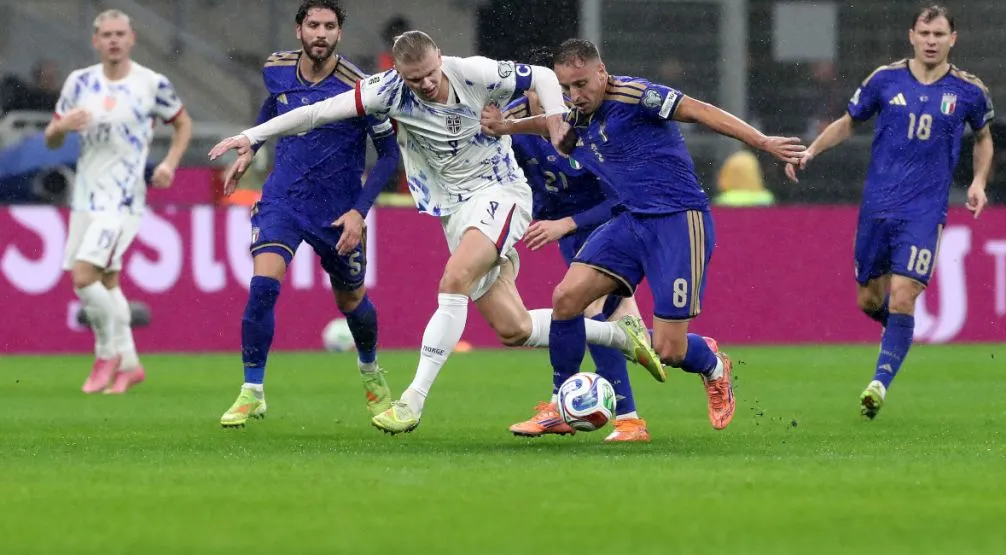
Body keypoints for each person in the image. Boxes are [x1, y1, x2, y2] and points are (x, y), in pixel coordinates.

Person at [209, 31, 664, 435]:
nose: (425, 83)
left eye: (430, 73)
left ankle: (412, 401)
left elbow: (543, 75)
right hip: (453, 210)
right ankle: (621, 335)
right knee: (514, 328)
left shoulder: (473, 73)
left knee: (453, 280)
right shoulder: (386, 90)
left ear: (440, 58)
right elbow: (316, 113)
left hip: (500, 191)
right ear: (399, 73)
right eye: (414, 79)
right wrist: (254, 136)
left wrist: (558, 117)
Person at [488, 39, 803, 431]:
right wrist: (507, 127)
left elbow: (700, 111)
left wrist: (762, 142)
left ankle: (711, 363)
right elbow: (551, 123)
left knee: (668, 350)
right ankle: (558, 405)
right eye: (566, 87)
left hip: (678, 222)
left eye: (581, 84)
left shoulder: (637, 96)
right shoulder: (577, 110)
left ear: (601, 72)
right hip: (631, 221)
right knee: (566, 299)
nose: (575, 95)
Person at [786, 3, 994, 419]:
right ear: (911, 36)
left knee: (903, 296)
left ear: (952, 39)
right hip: (878, 207)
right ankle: (898, 332)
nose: (931, 41)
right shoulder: (885, 79)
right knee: (869, 300)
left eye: (939, 34)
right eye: (925, 33)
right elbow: (849, 121)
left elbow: (983, 137)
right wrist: (811, 151)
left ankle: (878, 383)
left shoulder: (969, 91)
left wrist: (978, 181)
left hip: (924, 211)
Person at [217, 0, 401, 428]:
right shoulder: (276, 68)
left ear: (340, 34)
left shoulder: (361, 87)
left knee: (351, 299)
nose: (321, 34)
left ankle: (370, 371)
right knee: (263, 285)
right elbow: (273, 108)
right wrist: (253, 145)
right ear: (298, 30)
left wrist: (359, 212)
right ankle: (252, 391)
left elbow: (389, 155)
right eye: (314, 26)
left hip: (337, 211)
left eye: (329, 27)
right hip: (284, 199)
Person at [482, 88, 650, 442]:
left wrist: (565, 224)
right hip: (572, 237)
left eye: (564, 91)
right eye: (549, 91)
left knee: (586, 310)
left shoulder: (588, 128)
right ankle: (704, 360)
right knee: (637, 337)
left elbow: (620, 199)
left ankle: (599, 415)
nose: (563, 99)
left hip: (611, 229)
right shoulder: (513, 128)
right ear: (531, 92)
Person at [43, 9, 193, 394]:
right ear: (95, 41)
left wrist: (170, 163)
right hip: (85, 197)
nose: (113, 40)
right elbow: (51, 139)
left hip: (124, 198)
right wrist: (61, 126)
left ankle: (106, 353)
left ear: (131, 39)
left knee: (83, 277)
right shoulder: (80, 82)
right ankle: (130, 365)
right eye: (106, 34)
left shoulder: (151, 84)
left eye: (120, 34)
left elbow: (182, 123)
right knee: (107, 282)